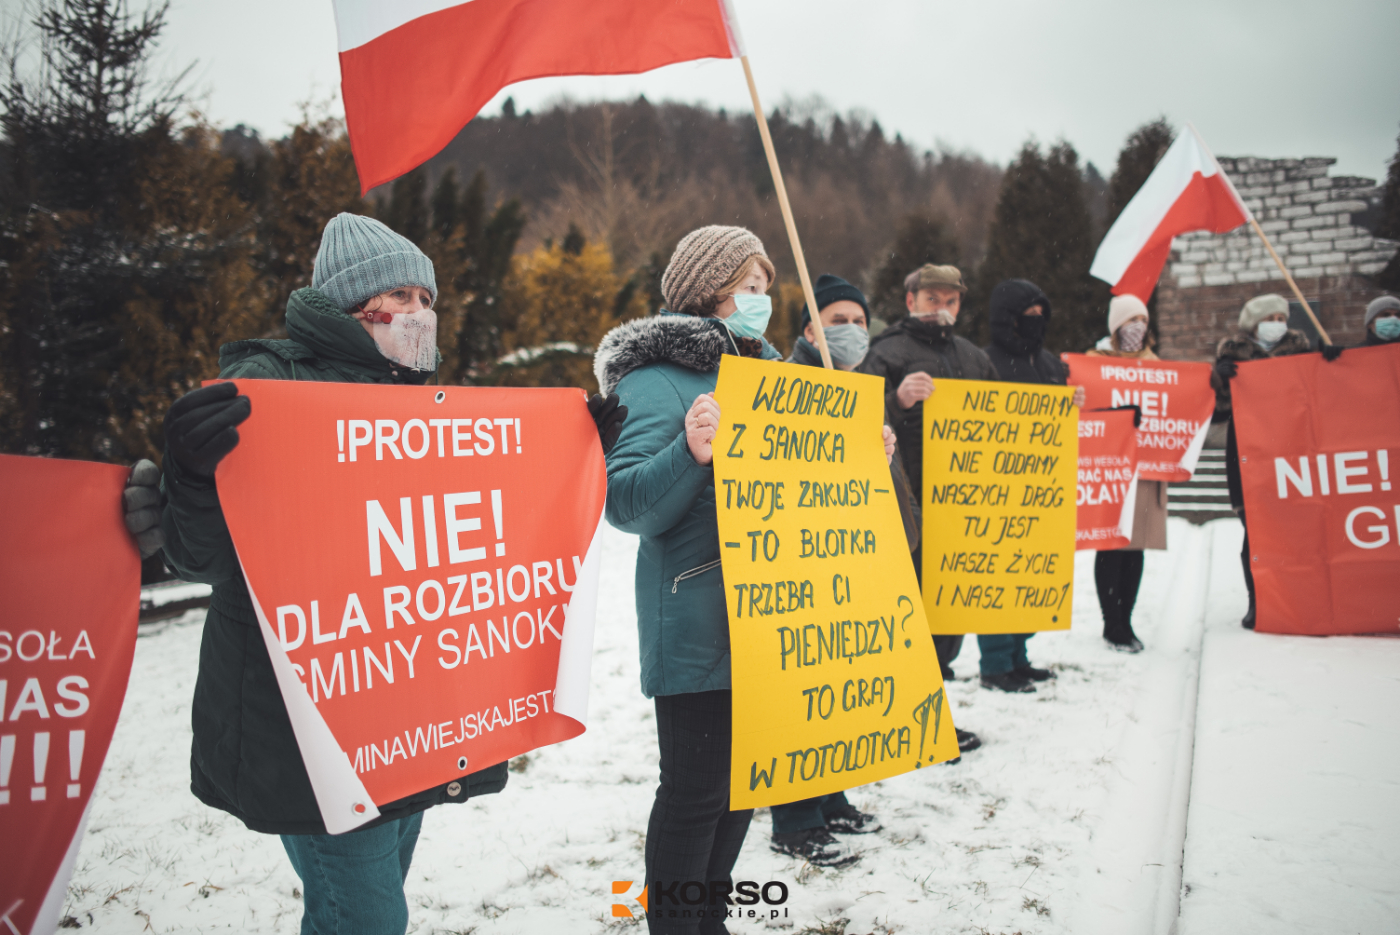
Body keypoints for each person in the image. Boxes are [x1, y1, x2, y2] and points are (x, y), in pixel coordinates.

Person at [159, 214, 508, 935]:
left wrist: (573, 458)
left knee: (355, 908)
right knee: (370, 917)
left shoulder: (425, 402)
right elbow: (201, 555)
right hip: (308, 719)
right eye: (402, 296)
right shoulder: (267, 385)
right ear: (354, 308)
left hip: (402, 711)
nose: (421, 313)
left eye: (427, 297)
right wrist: (191, 473)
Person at [595, 228, 896, 929]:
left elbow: (804, 490)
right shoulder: (655, 378)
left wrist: (860, 456)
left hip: (773, 617)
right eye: (751, 286)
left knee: (740, 788)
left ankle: (709, 917)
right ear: (708, 289)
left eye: (766, 285)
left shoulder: (772, 377)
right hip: (697, 618)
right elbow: (627, 503)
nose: (764, 300)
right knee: (696, 790)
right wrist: (689, 450)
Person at [857, 264, 989, 741]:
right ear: (910, 300)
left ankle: (931, 717)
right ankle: (917, 722)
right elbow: (859, 419)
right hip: (907, 511)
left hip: (964, 512)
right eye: (933, 298)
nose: (942, 309)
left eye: (951, 300)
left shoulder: (974, 357)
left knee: (949, 618)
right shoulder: (885, 353)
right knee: (912, 619)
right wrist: (898, 400)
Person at [978, 279, 1085, 692]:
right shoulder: (985, 362)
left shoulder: (1052, 366)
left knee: (1029, 578)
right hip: (995, 489)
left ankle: (1020, 656)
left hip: (1041, 491)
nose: (1036, 323)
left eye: (1042, 316)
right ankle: (995, 663)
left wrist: (1071, 405)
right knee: (996, 582)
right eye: (1029, 316)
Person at [1210, 293, 1313, 629]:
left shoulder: (1302, 352)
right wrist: (1220, 381)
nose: (1277, 325)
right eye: (1270, 319)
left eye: (1282, 319)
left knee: (1295, 530)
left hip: (1292, 453)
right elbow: (1217, 414)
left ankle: (1296, 597)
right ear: (1254, 324)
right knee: (1255, 533)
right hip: (1249, 454)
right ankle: (1259, 600)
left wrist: (1329, 362)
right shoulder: (1233, 355)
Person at [1083, 295, 1168, 653]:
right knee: (1111, 546)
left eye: (1142, 320)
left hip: (1146, 469)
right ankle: (1111, 623)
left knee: (1136, 547)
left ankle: (1127, 619)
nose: (1138, 327)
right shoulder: (1094, 363)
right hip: (1109, 466)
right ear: (1115, 326)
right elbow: (1086, 405)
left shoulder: (1156, 364)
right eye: (1130, 320)